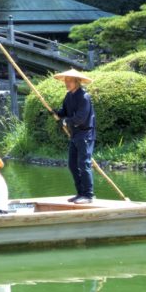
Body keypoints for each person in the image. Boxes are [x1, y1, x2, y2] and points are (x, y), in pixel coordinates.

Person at [54, 68, 95, 204]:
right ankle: (80, 193)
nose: (67, 83)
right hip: (75, 134)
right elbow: (64, 111)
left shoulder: (84, 97)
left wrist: (66, 121)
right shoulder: (69, 96)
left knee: (84, 164)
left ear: (77, 82)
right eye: (66, 81)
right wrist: (57, 113)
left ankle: (88, 195)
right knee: (72, 164)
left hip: (85, 133)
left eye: (70, 81)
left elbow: (80, 118)